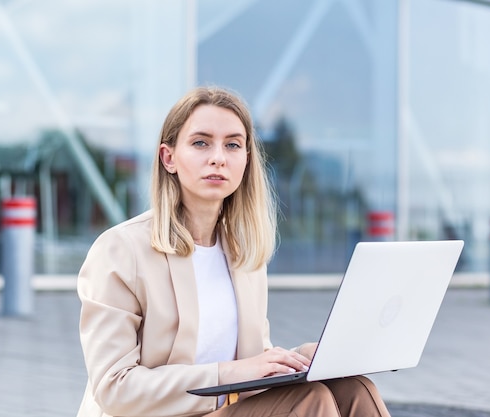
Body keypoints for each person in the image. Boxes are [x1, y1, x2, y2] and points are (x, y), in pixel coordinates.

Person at [77, 86, 392, 417]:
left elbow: (252, 360)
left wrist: (299, 357)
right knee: (310, 401)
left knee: (354, 388)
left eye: (232, 145)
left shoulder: (242, 254)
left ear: (246, 160)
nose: (218, 157)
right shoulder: (121, 251)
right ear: (169, 158)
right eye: (201, 143)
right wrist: (225, 374)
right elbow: (114, 387)